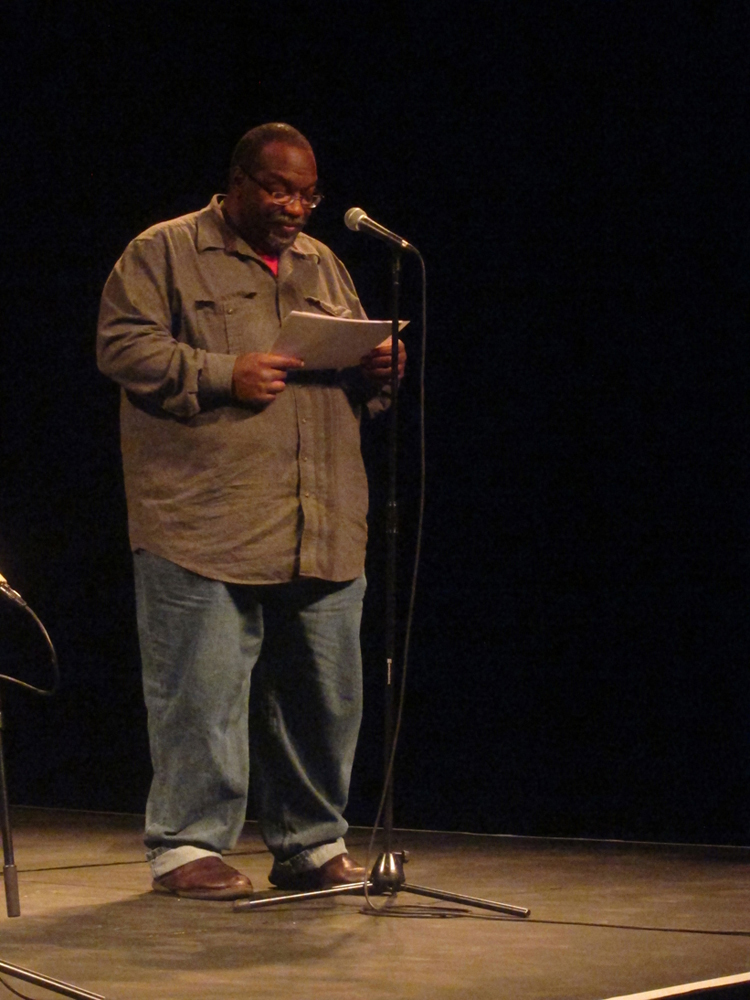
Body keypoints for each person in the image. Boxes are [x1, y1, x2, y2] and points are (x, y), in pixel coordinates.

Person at [97, 123, 405, 900]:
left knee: (324, 693)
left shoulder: (323, 263)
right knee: (201, 694)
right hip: (206, 518)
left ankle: (311, 842)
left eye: (306, 193)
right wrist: (220, 371)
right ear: (236, 181)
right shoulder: (163, 250)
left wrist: (378, 369)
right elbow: (122, 345)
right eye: (277, 188)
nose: (293, 205)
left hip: (322, 516)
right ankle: (187, 847)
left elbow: (361, 389)